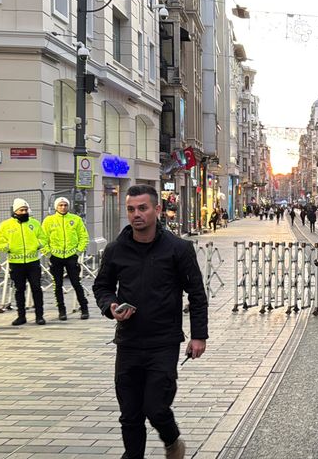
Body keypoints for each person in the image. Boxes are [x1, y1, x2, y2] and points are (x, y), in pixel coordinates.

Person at [93, 184, 208, 459]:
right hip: (129, 342)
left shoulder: (179, 249)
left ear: (157, 210)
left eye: (143, 208)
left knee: (155, 407)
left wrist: (198, 336)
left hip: (163, 342)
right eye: (131, 209)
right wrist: (110, 307)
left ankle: (172, 442)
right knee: (130, 413)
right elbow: (102, 286)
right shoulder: (115, 250)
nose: (136, 214)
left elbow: (197, 294)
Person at [0, 199, 48, 326]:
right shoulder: (5, 225)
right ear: (15, 211)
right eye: (21, 210)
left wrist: (38, 244)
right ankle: (21, 316)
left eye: (25, 210)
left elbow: (43, 238)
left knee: (36, 288)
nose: (24, 212)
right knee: (19, 290)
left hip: (33, 261)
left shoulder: (35, 223)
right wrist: (8, 247)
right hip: (16, 262)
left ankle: (39, 316)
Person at [42, 197, 90, 320]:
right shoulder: (48, 221)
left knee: (76, 283)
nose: (63, 207)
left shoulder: (76, 219)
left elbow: (84, 237)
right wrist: (48, 254)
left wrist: (77, 252)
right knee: (57, 285)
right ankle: (61, 310)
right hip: (55, 257)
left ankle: (84, 308)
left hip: (71, 256)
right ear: (56, 207)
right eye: (60, 205)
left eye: (65, 205)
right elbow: (42, 239)